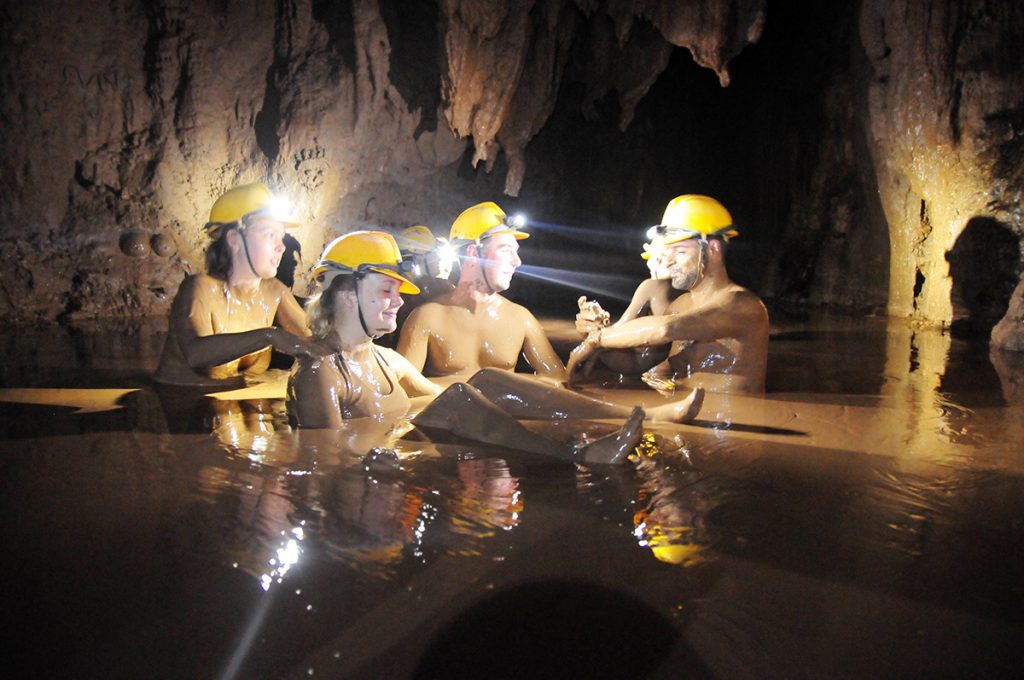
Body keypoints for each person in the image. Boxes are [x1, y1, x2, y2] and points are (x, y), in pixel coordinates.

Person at [288, 231, 705, 465]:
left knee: (484, 381)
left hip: (404, 445)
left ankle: (648, 415)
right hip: (385, 459)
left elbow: (464, 392)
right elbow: (322, 460)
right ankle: (576, 456)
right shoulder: (319, 371)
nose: (399, 300)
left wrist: (499, 390)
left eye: (398, 291)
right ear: (346, 295)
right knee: (456, 400)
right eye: (386, 290)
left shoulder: (384, 358)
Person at [567, 195, 769, 394]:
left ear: (713, 248)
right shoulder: (679, 306)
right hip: (683, 421)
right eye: (667, 252)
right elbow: (637, 362)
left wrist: (598, 339)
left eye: (680, 251)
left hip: (731, 425)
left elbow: (665, 329)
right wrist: (594, 331)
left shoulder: (744, 305)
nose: (669, 261)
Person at [155, 183, 326, 387]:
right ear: (235, 239)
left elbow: (317, 343)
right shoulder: (200, 288)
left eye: (281, 237)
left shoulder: (274, 292)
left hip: (239, 404)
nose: (281, 247)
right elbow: (196, 354)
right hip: (182, 403)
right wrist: (269, 336)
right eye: (269, 235)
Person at [396, 202, 566, 380]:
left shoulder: (522, 319)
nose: (517, 261)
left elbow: (557, 381)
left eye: (516, 252)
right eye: (506, 250)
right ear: (473, 253)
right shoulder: (425, 318)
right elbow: (403, 394)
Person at [575, 233, 682, 378]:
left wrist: (596, 332)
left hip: (660, 381)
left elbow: (631, 358)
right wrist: (597, 331)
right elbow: (637, 362)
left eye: (655, 258)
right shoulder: (693, 298)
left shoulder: (652, 287)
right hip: (670, 383)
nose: (649, 264)